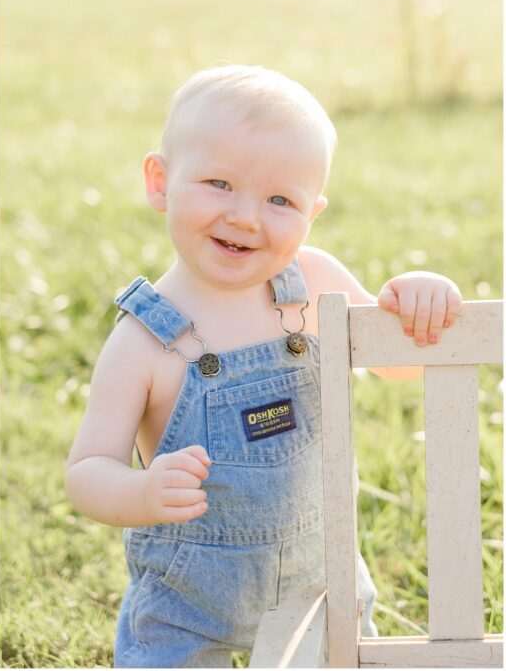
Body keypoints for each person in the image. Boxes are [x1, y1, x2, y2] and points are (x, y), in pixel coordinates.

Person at [65, 65, 462, 667]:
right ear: (160, 181)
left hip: (321, 578)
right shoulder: (144, 341)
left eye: (280, 200)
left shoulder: (315, 284)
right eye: (219, 183)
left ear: (313, 213)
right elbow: (87, 471)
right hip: (186, 601)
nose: (247, 216)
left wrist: (417, 299)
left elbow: (400, 366)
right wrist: (142, 491)